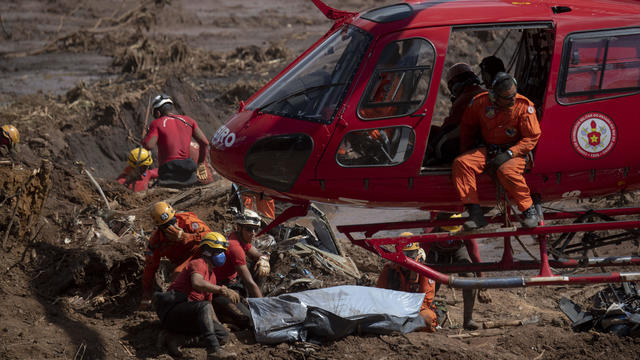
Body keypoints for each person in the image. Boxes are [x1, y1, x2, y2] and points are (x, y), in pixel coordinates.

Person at [452, 72, 541, 230]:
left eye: (513, 95)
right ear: (494, 96)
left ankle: (529, 211)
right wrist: (464, 151)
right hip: (491, 150)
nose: (512, 99)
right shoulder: (480, 103)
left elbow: (531, 138)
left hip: (517, 152)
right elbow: (467, 128)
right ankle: (475, 214)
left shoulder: (524, 106)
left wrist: (509, 154)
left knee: (506, 170)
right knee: (461, 163)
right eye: (507, 98)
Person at [153, 233, 238, 360]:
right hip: (172, 310)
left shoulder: (212, 276)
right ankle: (214, 350)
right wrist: (222, 290)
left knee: (222, 334)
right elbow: (197, 283)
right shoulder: (198, 263)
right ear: (208, 251)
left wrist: (218, 324)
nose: (222, 255)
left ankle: (175, 339)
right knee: (202, 307)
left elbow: (208, 305)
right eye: (219, 251)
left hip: (189, 315)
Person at [141, 202, 211, 307]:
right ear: (160, 227)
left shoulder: (187, 221)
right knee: (177, 275)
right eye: (166, 226)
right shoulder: (156, 241)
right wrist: (147, 291)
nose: (172, 227)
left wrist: (188, 237)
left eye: (173, 221)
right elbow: (150, 267)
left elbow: (210, 235)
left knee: (179, 273)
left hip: (200, 253)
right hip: (182, 262)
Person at [212, 208, 270, 328]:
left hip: (232, 282)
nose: (253, 233)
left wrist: (264, 259)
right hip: (220, 289)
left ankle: (251, 302)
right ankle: (224, 316)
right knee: (248, 321)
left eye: (255, 229)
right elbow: (249, 282)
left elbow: (256, 255)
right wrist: (265, 309)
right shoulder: (235, 247)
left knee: (259, 265)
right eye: (249, 229)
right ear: (239, 228)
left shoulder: (240, 238)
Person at [425, 213, 483, 330]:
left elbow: (474, 254)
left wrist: (481, 281)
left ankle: (468, 320)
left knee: (469, 277)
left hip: (457, 251)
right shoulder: (430, 233)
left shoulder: (466, 230)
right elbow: (423, 257)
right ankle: (426, 317)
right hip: (436, 253)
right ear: (440, 227)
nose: (451, 236)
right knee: (431, 282)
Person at [143, 94, 210, 187]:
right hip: (188, 169)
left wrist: (146, 136)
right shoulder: (189, 120)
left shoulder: (157, 123)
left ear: (158, 113)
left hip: (169, 171)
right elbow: (205, 143)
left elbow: (148, 146)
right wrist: (201, 163)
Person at [376, 236, 437, 332]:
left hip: (415, 310)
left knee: (428, 317)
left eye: (410, 254)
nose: (407, 258)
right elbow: (379, 293)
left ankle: (401, 325)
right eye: (403, 254)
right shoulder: (389, 269)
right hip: (392, 308)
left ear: (417, 253)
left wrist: (406, 311)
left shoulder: (425, 271)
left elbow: (426, 301)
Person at [430, 63, 486, 164]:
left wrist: (441, 141)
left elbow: (450, 125)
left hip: (468, 145)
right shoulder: (484, 93)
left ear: (455, 86)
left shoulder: (464, 99)